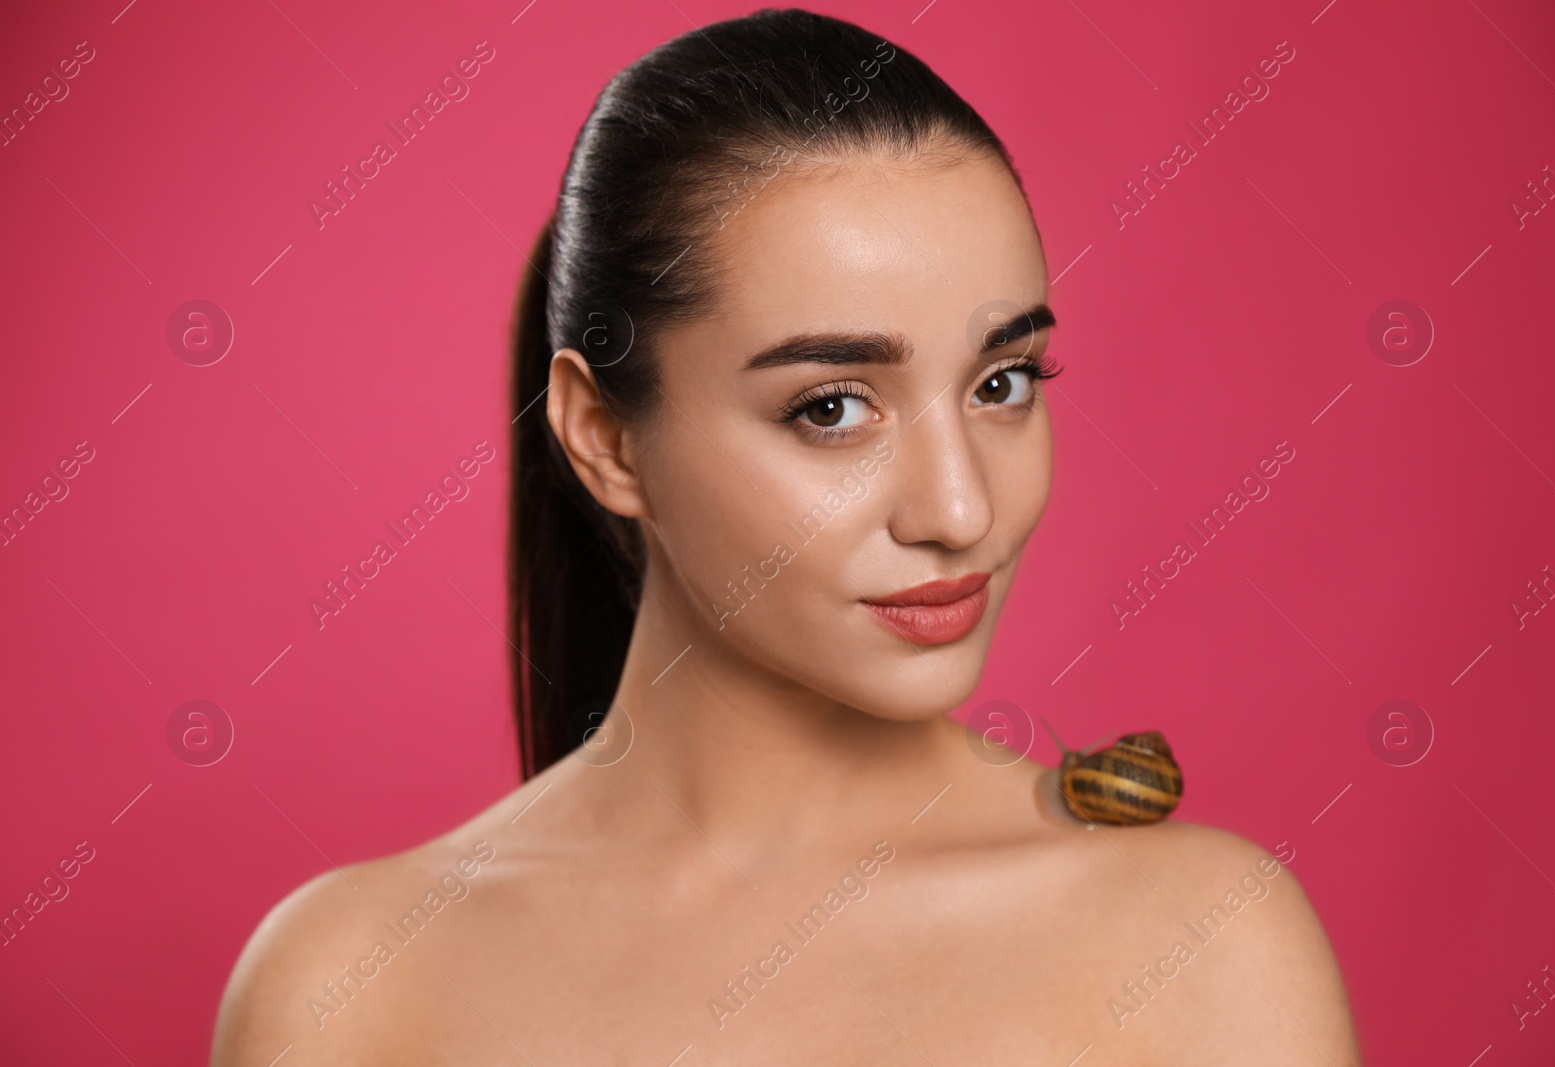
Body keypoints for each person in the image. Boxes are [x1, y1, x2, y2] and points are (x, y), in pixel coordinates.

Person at [211, 8, 1361, 1063]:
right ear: (605, 436)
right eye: (831, 408)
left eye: (1003, 380)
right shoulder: (348, 990)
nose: (959, 510)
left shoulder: (1198, 946)